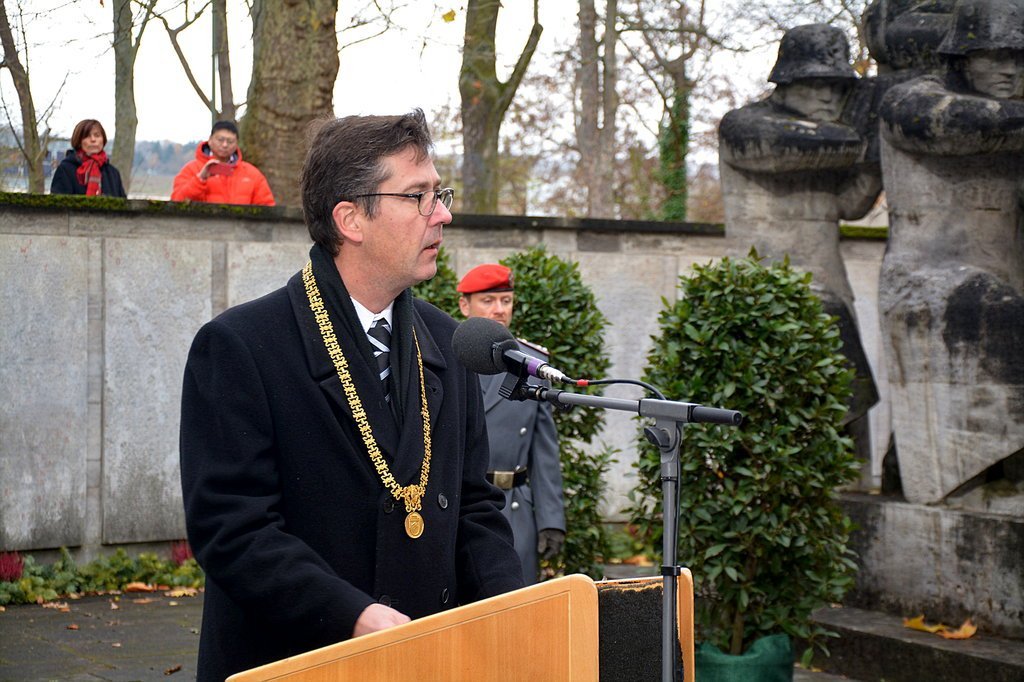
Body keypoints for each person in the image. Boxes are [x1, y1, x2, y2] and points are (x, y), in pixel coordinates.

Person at [179, 109, 523, 682]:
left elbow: (474, 506)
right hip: (299, 660)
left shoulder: (451, 343)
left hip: (425, 662)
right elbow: (232, 530)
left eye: (440, 193)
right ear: (351, 219)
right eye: (419, 197)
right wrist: (353, 615)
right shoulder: (241, 347)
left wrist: (514, 611)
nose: (443, 213)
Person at [457, 264, 566, 585]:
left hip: (513, 510)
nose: (499, 310)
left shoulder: (531, 364)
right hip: (458, 508)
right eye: (488, 301)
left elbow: (543, 450)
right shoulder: (445, 357)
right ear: (465, 306)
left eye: (506, 300)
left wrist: (551, 519)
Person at [171, 120, 275, 205]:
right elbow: (177, 201)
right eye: (220, 140)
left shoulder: (252, 174)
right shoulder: (191, 169)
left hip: (240, 229)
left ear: (236, 144)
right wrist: (200, 179)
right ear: (210, 141)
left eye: (230, 141)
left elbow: (267, 207)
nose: (225, 145)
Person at [49, 119, 127, 198]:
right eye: (87, 136)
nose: (93, 139)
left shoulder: (112, 173)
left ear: (103, 140)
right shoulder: (66, 169)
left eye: (97, 135)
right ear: (79, 141)